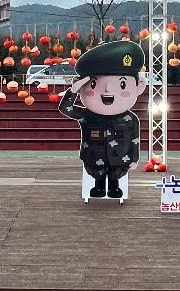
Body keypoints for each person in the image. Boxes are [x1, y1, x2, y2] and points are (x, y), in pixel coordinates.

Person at [59, 40, 144, 200]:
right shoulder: (87, 115)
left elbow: (135, 140)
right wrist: (73, 91)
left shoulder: (130, 119)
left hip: (120, 159)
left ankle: (114, 187)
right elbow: (66, 109)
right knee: (97, 175)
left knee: (115, 175)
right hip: (93, 157)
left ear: (139, 88)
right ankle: (98, 186)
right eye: (93, 84)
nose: (107, 90)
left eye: (122, 84)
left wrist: (134, 158)